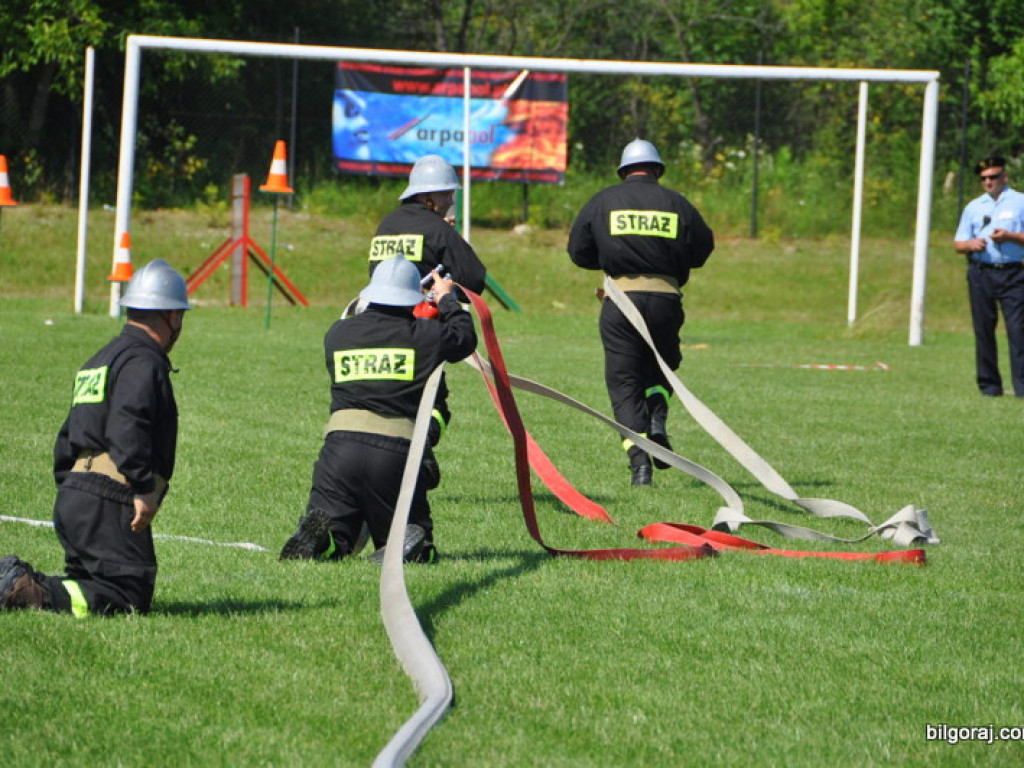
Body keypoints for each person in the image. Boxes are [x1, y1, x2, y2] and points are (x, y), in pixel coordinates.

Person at [0, 259, 191, 615]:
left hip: (76, 494)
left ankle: (24, 588)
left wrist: (71, 489)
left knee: (85, 588)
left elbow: (66, 436)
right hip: (110, 497)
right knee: (127, 595)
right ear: (172, 316)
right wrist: (142, 486)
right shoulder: (142, 360)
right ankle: (20, 589)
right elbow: (127, 423)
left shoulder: (99, 360)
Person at [280, 255, 477, 564]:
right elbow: (464, 338)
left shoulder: (337, 335)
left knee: (339, 534)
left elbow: (355, 318)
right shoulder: (424, 338)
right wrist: (448, 301)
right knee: (411, 539)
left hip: (338, 451)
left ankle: (324, 541)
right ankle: (405, 547)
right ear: (412, 298)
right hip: (396, 454)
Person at [567, 139, 714, 486]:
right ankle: (658, 419)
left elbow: (578, 251)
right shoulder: (677, 203)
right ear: (657, 170)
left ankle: (640, 465)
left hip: (620, 302)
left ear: (623, 171)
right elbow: (703, 249)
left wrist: (608, 259)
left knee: (624, 382)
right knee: (662, 369)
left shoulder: (603, 200)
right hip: (666, 300)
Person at [368, 154, 488, 469]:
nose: (450, 199)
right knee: (436, 406)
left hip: (377, 325)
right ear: (426, 197)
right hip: (419, 329)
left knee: (396, 400)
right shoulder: (436, 229)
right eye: (445, 193)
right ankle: (418, 449)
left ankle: (405, 453)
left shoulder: (386, 224)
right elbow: (475, 277)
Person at [953, 155, 1024, 397]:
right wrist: (970, 244)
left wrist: (1010, 236)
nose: (988, 182)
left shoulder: (1019, 202)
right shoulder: (973, 207)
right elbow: (958, 243)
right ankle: (989, 387)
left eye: (993, 177)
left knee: (1018, 331)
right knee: (983, 330)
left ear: (1004, 176)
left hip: (1013, 274)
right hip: (981, 273)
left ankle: (1022, 387)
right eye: (984, 178)